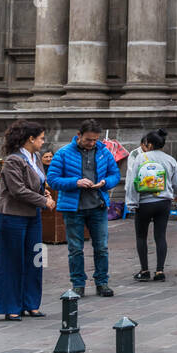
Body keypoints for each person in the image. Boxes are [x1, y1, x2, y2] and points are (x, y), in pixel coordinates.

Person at [0, 121, 54, 321]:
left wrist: (44, 191)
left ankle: (31, 303)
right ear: (30, 139)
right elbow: (18, 190)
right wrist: (44, 201)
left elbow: (36, 182)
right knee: (12, 261)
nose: (43, 141)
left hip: (33, 215)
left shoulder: (36, 158)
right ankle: (11, 305)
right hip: (12, 215)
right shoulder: (13, 160)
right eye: (41, 138)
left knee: (36, 258)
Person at [46, 119, 120, 297]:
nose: (92, 143)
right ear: (78, 136)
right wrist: (75, 182)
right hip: (73, 208)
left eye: (95, 140)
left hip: (98, 206)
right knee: (75, 248)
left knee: (101, 247)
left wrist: (105, 182)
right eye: (88, 140)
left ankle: (102, 282)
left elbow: (115, 174)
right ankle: (78, 283)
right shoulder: (63, 153)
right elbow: (52, 179)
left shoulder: (103, 152)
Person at [124, 129, 177, 282]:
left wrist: (131, 202)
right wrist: (176, 196)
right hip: (163, 203)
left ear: (148, 144)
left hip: (144, 203)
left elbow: (131, 182)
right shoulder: (170, 160)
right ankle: (159, 271)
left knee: (141, 236)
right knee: (160, 236)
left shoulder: (140, 158)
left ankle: (144, 270)